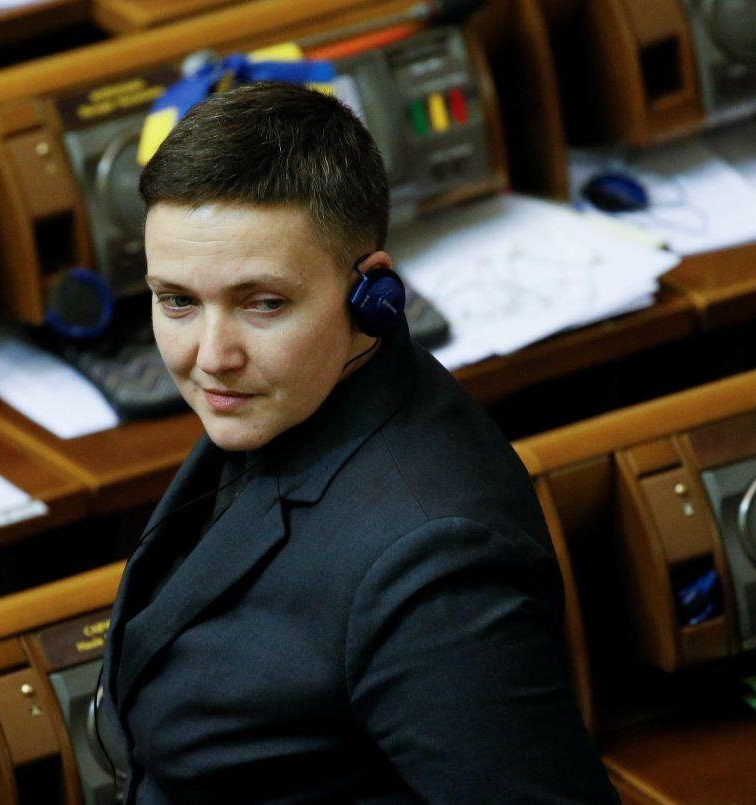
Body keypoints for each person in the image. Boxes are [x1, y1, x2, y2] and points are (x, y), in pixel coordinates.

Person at [96, 81, 619, 803]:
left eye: (263, 303)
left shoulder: (435, 563)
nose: (211, 355)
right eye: (178, 300)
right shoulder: (289, 397)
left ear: (372, 294)